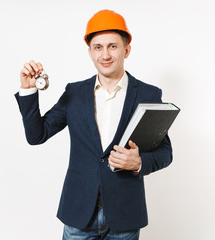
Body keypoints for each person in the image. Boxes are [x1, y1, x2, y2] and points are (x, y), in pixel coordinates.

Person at [15, 9, 173, 240]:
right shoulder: (74, 93)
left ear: (126, 49)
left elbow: (165, 153)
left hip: (125, 215)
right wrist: (28, 90)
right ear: (90, 52)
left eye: (113, 46)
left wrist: (139, 162)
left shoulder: (148, 94)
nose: (105, 54)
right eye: (98, 47)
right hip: (79, 212)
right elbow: (36, 135)